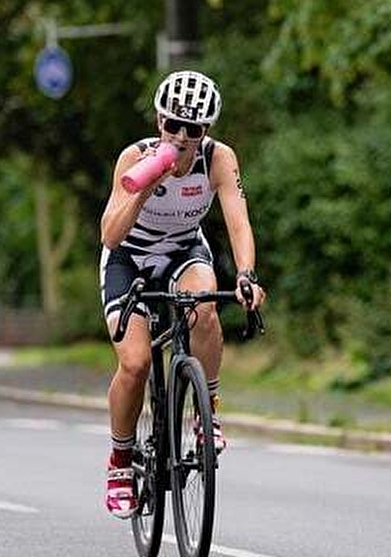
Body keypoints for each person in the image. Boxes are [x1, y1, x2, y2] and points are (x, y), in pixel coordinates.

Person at [98, 70, 265, 519]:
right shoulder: (133, 158)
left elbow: (237, 221)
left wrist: (247, 274)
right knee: (134, 363)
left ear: (206, 131)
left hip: (183, 249)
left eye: (193, 129)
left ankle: (206, 410)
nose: (182, 136)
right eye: (173, 125)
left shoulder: (219, 159)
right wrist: (146, 185)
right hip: (129, 258)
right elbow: (111, 235)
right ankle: (119, 461)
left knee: (206, 307)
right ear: (159, 121)